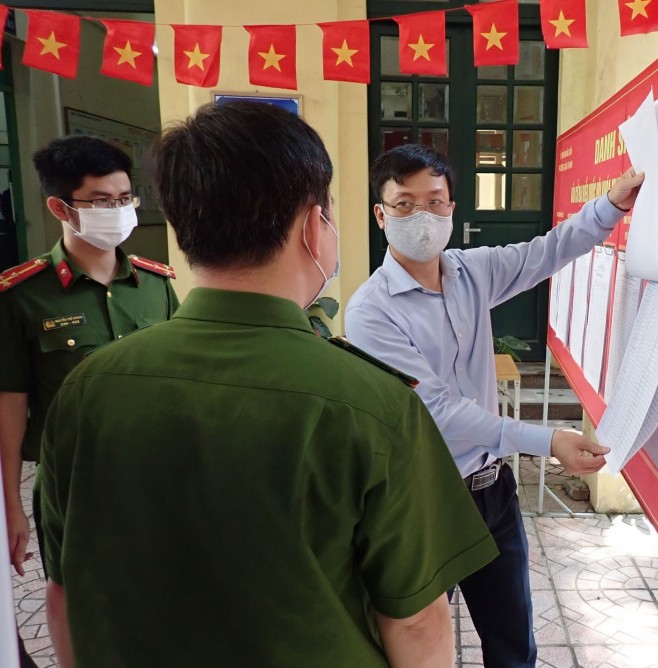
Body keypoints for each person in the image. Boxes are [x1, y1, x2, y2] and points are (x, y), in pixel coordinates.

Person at [37, 102, 498, 668]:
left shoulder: (86, 391)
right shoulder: (373, 405)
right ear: (312, 226)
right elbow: (417, 620)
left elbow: (62, 595)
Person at [345, 144, 644, 667]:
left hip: (491, 494)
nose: (422, 216)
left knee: (513, 643)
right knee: (419, 649)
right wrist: (546, 441)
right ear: (380, 213)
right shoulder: (370, 312)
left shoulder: (470, 273)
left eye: (435, 201)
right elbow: (435, 411)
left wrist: (613, 206)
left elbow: (545, 252)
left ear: (453, 208)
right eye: (404, 204)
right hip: (423, 501)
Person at [0, 136, 179, 667]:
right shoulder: (22, 295)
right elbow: (10, 403)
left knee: (160, 584)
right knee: (68, 590)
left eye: (126, 198)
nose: (119, 211)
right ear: (60, 207)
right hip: (71, 478)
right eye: (102, 201)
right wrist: (10, 503)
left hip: (155, 470)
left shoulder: (156, 284)